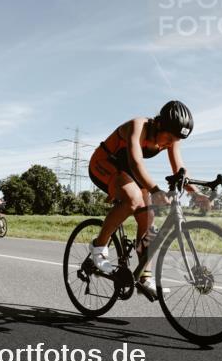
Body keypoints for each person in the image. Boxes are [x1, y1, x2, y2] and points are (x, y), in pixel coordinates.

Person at [86, 100, 211, 299]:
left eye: (175, 140)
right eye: (169, 138)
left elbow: (179, 169)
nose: (170, 143)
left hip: (126, 172)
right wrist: (154, 189)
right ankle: (99, 247)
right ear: (159, 124)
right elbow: (135, 163)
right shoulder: (138, 126)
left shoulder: (172, 138)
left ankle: (145, 276)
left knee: (148, 216)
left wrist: (195, 193)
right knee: (134, 199)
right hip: (103, 163)